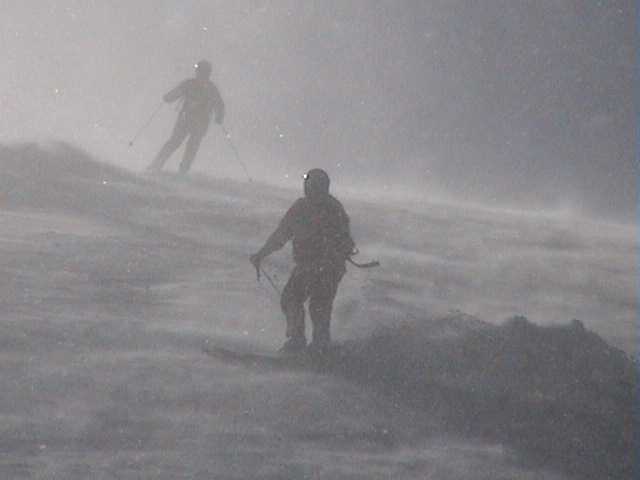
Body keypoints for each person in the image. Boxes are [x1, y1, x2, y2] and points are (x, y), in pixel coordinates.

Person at [250, 169, 356, 355]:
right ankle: (317, 345)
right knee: (310, 303)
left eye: (312, 185)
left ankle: (304, 342)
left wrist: (333, 253)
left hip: (324, 267)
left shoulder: (328, 209)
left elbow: (345, 241)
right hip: (319, 267)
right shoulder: (307, 208)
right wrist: (261, 254)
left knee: (302, 301)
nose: (309, 189)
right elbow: (281, 235)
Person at [147, 60, 225, 174]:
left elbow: (174, 94)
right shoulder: (210, 88)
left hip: (188, 119)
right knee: (190, 146)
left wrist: (168, 98)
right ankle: (179, 170)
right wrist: (219, 117)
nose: (198, 73)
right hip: (199, 122)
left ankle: (157, 165)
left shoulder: (191, 84)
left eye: (199, 70)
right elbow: (220, 105)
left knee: (177, 143)